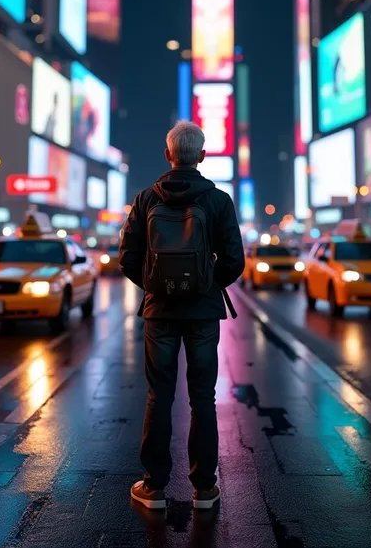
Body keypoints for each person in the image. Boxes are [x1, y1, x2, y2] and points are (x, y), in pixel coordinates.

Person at [119, 121, 245, 511]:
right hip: (203, 312)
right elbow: (234, 262)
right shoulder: (219, 200)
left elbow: (127, 258)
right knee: (202, 398)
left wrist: (158, 284)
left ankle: (154, 487)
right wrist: (204, 283)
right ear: (203, 156)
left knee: (159, 396)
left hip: (160, 312)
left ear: (167, 154)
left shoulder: (145, 200)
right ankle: (204, 489)